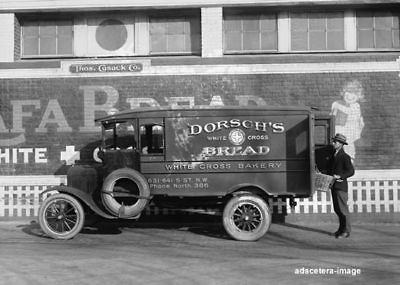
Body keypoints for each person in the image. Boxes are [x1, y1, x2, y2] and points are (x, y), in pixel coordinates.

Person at [328, 133, 355, 238]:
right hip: (334, 187)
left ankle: (346, 231)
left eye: (336, 142)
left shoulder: (344, 156)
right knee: (338, 210)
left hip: (341, 187)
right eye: (334, 141)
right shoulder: (334, 155)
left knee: (343, 210)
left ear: (341, 144)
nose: (333, 143)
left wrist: (340, 176)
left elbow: (351, 171)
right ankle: (341, 230)